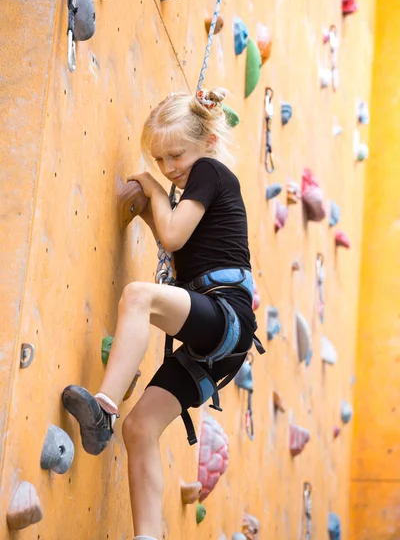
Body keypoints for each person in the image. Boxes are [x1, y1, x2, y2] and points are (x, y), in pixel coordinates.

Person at [62, 88, 261, 540]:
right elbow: (174, 237)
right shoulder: (195, 185)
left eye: (176, 155)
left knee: (138, 296)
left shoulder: (210, 171)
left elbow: (170, 236)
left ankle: (104, 408)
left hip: (225, 315)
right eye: (160, 161)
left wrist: (152, 189)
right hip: (215, 342)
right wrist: (156, 205)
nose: (170, 168)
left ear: (208, 141)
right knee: (141, 428)